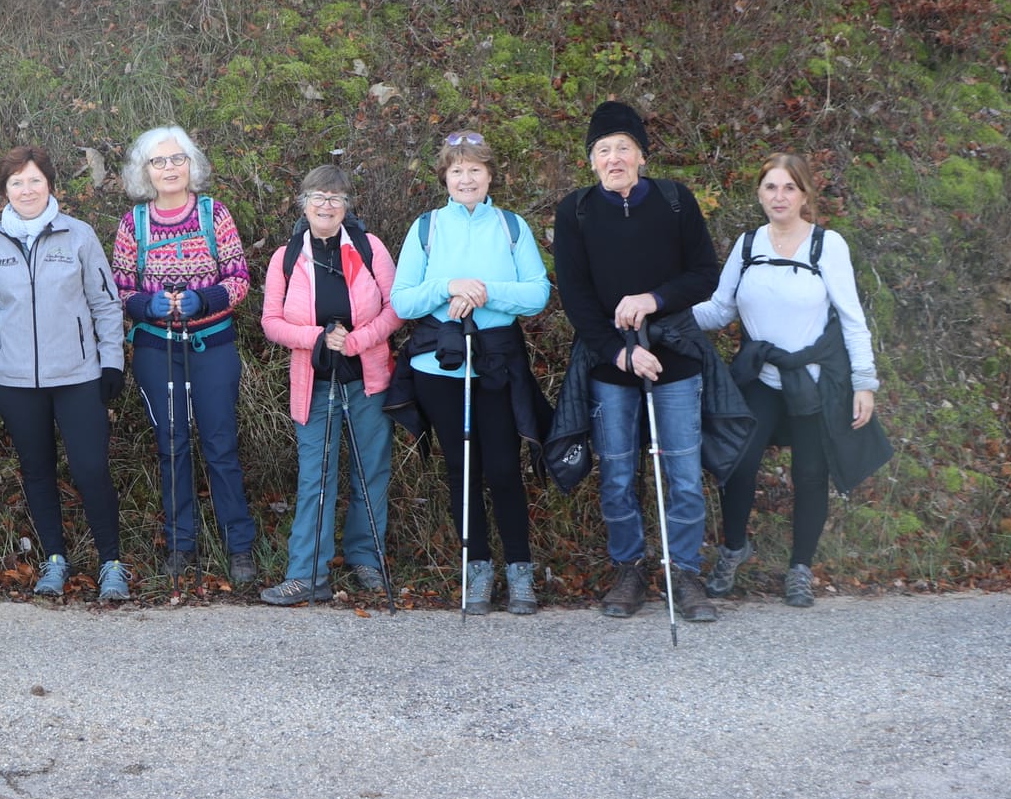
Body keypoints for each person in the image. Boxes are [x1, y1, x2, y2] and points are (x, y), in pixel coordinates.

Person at [553, 100, 726, 624]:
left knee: (684, 473)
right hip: (611, 368)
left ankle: (685, 572)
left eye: (623, 148)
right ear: (591, 162)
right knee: (618, 474)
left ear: (642, 156)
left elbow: (704, 275)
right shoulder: (576, 211)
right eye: (602, 150)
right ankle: (629, 569)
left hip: (677, 360)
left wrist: (652, 299)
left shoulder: (675, 202)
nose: (613, 158)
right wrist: (621, 351)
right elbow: (577, 298)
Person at [692, 153, 890, 607]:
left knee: (811, 472)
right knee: (737, 462)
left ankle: (800, 568)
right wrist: (663, 310)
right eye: (770, 188)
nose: (779, 197)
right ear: (760, 193)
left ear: (804, 195)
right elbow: (720, 310)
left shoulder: (827, 246)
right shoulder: (748, 246)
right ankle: (734, 549)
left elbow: (852, 319)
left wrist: (865, 383)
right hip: (760, 376)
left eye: (788, 188)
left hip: (814, 380)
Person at [389, 131, 552, 615]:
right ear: (445, 176)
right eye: (457, 170)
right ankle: (476, 569)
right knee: (462, 471)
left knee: (503, 469)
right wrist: (447, 286)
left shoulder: (511, 226)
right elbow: (403, 299)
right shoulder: (426, 228)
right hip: (438, 366)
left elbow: (536, 293)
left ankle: (519, 572)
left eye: (475, 169)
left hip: (496, 363)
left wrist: (481, 292)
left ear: (489, 176)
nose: (466, 178)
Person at [0, 145, 132, 602]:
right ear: (4, 191)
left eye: (35, 180)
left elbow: (104, 302)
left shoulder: (78, 236)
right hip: (15, 382)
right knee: (36, 471)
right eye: (17, 182)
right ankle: (55, 559)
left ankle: (112, 563)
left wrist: (111, 361)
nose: (27, 189)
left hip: (78, 376)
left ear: (51, 186)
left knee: (90, 467)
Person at [111, 125, 258, 584]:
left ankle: (240, 549)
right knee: (171, 446)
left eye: (177, 159)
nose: (170, 168)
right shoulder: (132, 223)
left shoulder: (215, 214)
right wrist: (142, 306)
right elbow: (117, 287)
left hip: (211, 345)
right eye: (159, 161)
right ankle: (181, 547)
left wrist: (207, 300)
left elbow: (238, 278)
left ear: (191, 165)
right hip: (157, 348)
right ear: (144, 171)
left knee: (220, 445)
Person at [257, 166, 404, 606]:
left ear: (347, 207)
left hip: (368, 380)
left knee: (370, 472)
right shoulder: (286, 257)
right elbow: (271, 322)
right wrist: (318, 339)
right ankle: (307, 574)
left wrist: (355, 341)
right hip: (314, 383)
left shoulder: (369, 247)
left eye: (336, 199)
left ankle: (366, 561)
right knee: (315, 478)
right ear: (303, 203)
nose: (326, 205)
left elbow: (398, 307)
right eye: (318, 197)